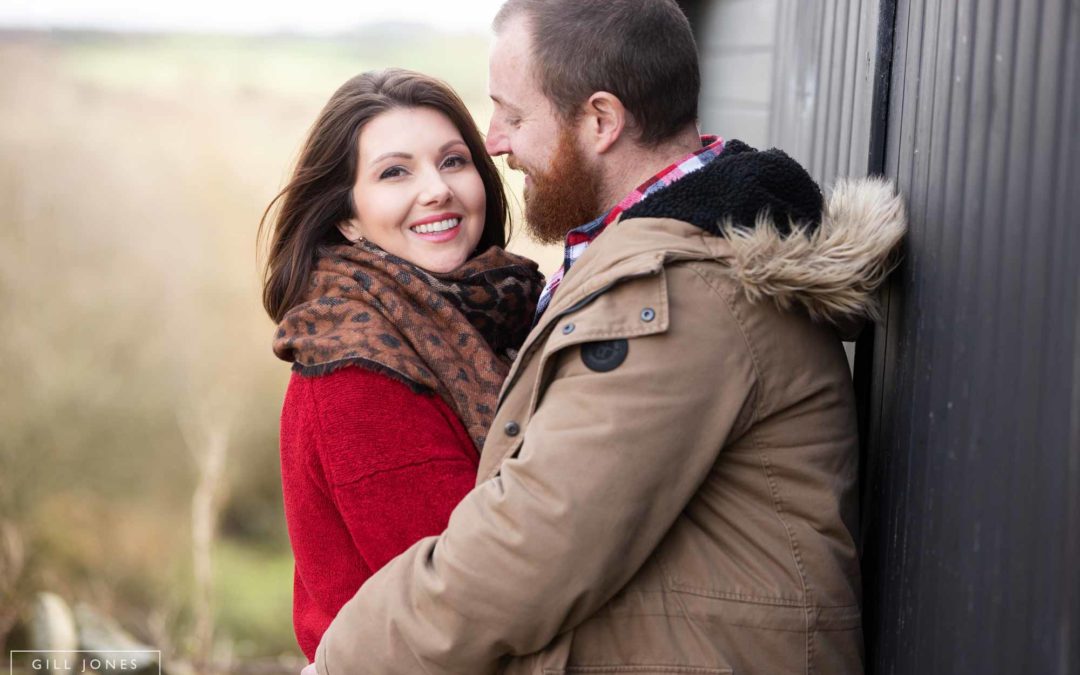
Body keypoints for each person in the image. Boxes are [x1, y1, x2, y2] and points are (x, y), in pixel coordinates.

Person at [309, 1, 906, 673]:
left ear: (600, 121)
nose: (495, 139)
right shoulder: (647, 259)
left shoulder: (682, 295)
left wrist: (336, 664)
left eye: (514, 113)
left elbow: (530, 545)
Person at [259, 68, 543, 662]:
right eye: (394, 172)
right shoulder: (356, 365)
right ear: (346, 216)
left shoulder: (497, 320)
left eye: (453, 161)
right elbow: (469, 593)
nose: (437, 189)